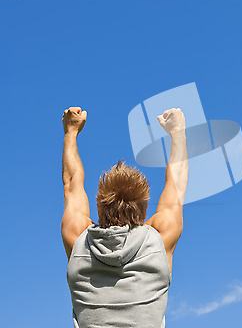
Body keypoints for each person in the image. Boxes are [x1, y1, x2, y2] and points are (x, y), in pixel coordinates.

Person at [61, 106, 188, 328]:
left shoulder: (79, 238)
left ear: (98, 209)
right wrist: (177, 131)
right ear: (144, 210)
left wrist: (71, 131)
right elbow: (176, 184)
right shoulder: (159, 238)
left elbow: (72, 183)